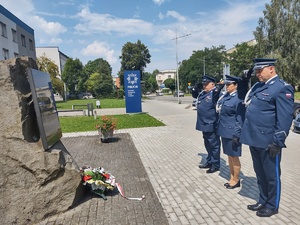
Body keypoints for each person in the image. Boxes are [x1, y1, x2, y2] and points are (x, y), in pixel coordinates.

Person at [239, 58, 294, 217]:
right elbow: (243, 97)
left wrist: (277, 141)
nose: (257, 74)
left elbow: (284, 118)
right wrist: (244, 81)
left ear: (271, 68)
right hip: (254, 138)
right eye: (255, 71)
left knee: (271, 176)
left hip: (269, 141)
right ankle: (263, 200)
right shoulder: (258, 86)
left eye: (259, 71)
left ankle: (272, 205)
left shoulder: (281, 88)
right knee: (260, 174)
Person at [216, 75, 246, 189]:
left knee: (234, 156)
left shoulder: (238, 98)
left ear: (236, 85)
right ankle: (232, 177)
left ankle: (236, 179)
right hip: (224, 131)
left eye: (229, 85)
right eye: (226, 84)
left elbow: (240, 118)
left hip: (233, 132)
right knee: (229, 156)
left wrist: (237, 134)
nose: (226, 87)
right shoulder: (226, 97)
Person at [192, 75, 223, 173]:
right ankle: (209, 161)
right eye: (203, 84)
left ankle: (215, 164)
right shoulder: (203, 93)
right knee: (207, 143)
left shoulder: (216, 93)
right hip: (203, 123)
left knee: (214, 145)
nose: (204, 86)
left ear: (212, 84)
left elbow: (217, 99)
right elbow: (195, 95)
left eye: (206, 84)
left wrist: (218, 89)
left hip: (211, 123)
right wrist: (195, 88)